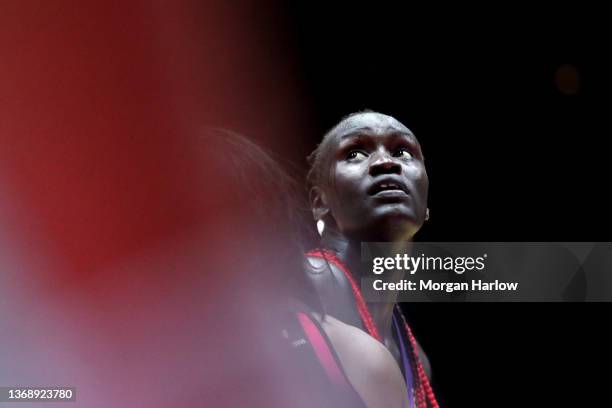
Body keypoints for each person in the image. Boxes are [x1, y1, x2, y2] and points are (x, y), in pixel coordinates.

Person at [305, 110, 440, 408]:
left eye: (402, 151)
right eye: (354, 153)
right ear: (319, 202)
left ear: (426, 203)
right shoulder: (301, 286)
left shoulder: (416, 358)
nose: (386, 162)